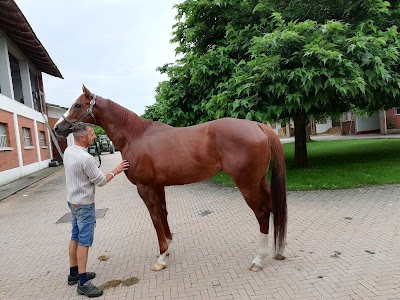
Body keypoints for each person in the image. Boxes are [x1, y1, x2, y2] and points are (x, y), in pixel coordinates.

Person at [63, 122, 129, 298]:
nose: (94, 137)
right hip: (84, 205)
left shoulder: (68, 151)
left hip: (72, 202)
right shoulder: (86, 159)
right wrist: (117, 170)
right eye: (92, 134)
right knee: (84, 240)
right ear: (82, 137)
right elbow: (100, 181)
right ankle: (83, 283)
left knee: (75, 236)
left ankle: (73, 274)